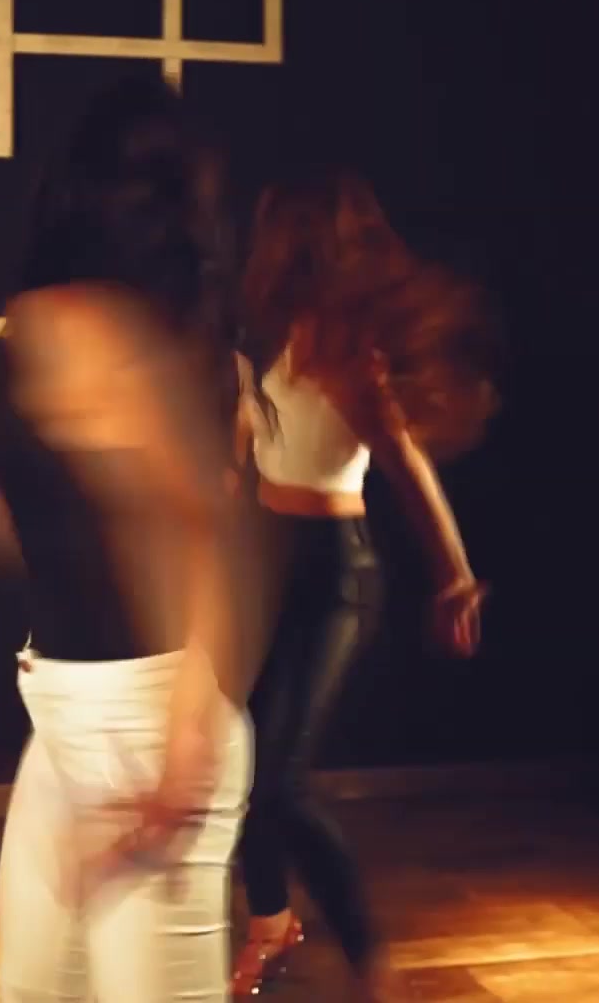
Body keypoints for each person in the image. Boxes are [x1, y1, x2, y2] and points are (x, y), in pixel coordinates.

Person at [0, 74, 266, 1003]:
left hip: (145, 726)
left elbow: (202, 541)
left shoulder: (75, 325)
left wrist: (182, 757)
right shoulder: (171, 342)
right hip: (71, 719)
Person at [227, 176, 494, 997]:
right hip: (265, 557)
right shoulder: (268, 335)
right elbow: (246, 453)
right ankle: (270, 923)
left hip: (332, 571)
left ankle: (369, 957)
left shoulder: (348, 352)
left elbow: (406, 463)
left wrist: (455, 576)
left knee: (279, 781)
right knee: (240, 769)